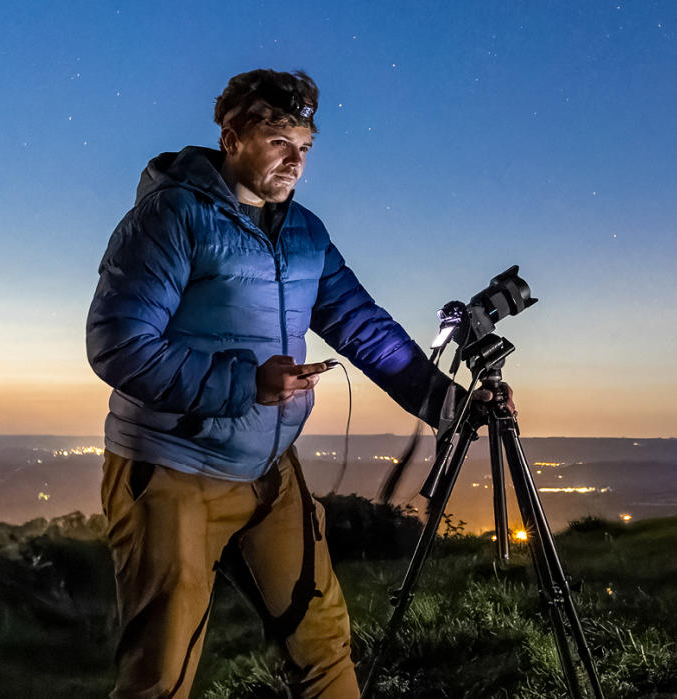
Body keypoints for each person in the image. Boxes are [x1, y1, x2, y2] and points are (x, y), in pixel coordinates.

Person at [86, 69, 461, 699]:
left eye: (306, 147)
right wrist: (244, 385)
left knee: (322, 646)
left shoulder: (306, 232)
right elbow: (118, 344)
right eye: (279, 141)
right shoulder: (172, 215)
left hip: (269, 470)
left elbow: (361, 326)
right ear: (232, 136)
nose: (296, 162)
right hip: (173, 471)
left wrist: (449, 404)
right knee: (161, 676)